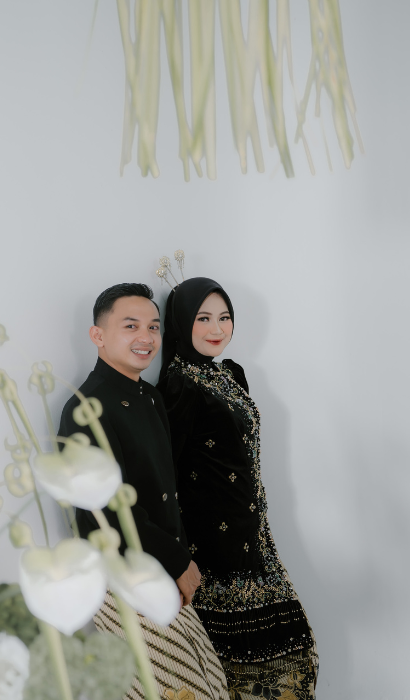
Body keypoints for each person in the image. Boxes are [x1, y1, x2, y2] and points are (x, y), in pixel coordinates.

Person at [58, 282, 230, 700]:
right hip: (125, 577)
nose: (146, 337)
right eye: (131, 325)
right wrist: (177, 559)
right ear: (98, 335)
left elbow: (166, 492)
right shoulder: (85, 408)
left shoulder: (150, 397)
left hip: (166, 570)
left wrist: (179, 559)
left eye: (153, 327)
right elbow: (106, 511)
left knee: (212, 684)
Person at [156, 277, 319, 700]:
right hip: (214, 549)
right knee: (238, 667)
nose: (217, 328)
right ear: (182, 322)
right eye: (203, 318)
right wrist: (177, 553)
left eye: (224, 317)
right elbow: (166, 473)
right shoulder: (180, 383)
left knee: (294, 653)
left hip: (254, 536)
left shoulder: (231, 374)